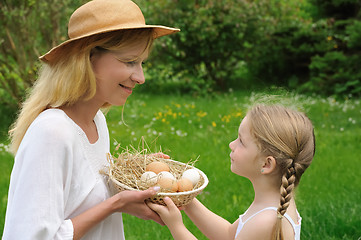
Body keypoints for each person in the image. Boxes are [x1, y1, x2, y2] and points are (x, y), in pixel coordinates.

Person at [2, 0, 179, 239]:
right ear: (88, 59)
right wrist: (116, 203)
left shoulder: (96, 121)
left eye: (142, 62)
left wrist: (131, 175)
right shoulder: (52, 132)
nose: (141, 77)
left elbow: (81, 195)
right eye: (130, 61)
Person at [148, 104, 316, 240]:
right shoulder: (272, 206)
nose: (231, 144)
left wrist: (176, 227)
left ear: (266, 164)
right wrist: (188, 200)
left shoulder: (265, 221)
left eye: (241, 141)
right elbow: (229, 235)